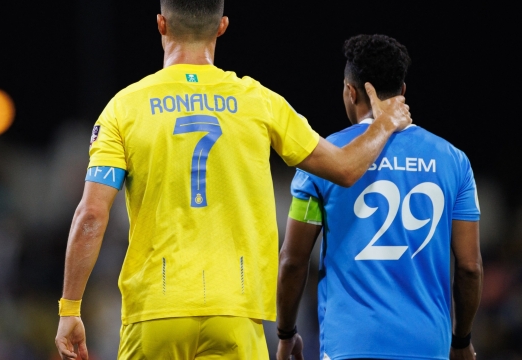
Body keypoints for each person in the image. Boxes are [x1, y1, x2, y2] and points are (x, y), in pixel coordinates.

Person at [54, 1, 412, 359]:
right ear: (222, 26)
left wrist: (70, 308)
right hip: (237, 310)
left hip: (156, 309)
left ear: (161, 24)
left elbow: (91, 215)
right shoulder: (258, 101)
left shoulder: (125, 107)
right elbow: (346, 168)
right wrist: (385, 121)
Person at [276, 34, 482, 360]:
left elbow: (293, 260)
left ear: (350, 91)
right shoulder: (454, 161)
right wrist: (461, 340)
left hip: (350, 345)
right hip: (427, 347)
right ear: (402, 92)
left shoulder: (323, 158)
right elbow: (470, 267)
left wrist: (286, 333)